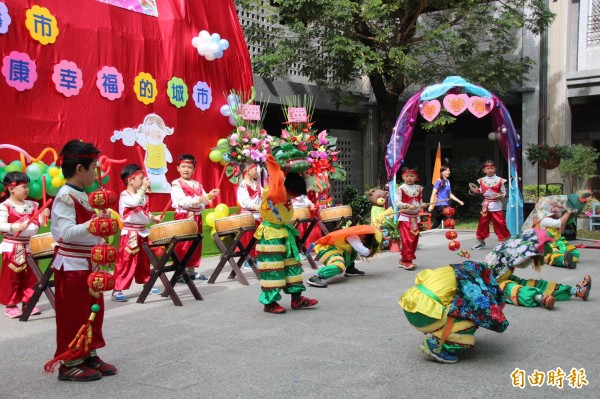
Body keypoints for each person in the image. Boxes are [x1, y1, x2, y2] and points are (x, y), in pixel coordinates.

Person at [399, 229, 554, 364]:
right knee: (473, 314)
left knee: (463, 304)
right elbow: (485, 312)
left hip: (411, 303)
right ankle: (437, 345)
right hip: (423, 312)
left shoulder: (467, 269)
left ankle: (437, 330)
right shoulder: (478, 282)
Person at [47, 139, 116, 381]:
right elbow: (65, 233)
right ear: (80, 169)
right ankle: (70, 361)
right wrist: (94, 223)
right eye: (94, 166)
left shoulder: (81, 194)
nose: (97, 172)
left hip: (89, 264)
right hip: (73, 266)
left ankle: (89, 353)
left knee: (93, 311)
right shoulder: (65, 196)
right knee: (74, 314)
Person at [253, 154, 318, 314]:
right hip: (270, 236)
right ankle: (270, 303)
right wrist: (281, 167)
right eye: (292, 195)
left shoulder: (288, 192)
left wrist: (303, 172)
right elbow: (277, 178)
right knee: (273, 269)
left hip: (284, 233)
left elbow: (306, 186)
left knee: (292, 266)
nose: (293, 198)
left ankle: (297, 299)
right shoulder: (272, 192)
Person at [484, 229, 591, 310]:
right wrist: (533, 255)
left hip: (503, 276)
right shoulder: (511, 249)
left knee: (533, 284)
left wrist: (534, 255)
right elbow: (522, 264)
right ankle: (540, 298)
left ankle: (576, 291)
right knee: (511, 289)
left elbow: (521, 264)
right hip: (492, 282)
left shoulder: (511, 247)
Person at [0, 172, 49, 319]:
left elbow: (37, 225)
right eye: (24, 187)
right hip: (12, 247)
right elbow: (1, 224)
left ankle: (29, 302)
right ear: (11, 189)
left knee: (32, 277)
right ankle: (11, 305)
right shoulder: (5, 206)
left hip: (30, 246)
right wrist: (13, 227)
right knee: (11, 277)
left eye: (28, 186)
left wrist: (42, 216)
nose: (27, 189)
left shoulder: (33, 205)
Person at [112, 164, 163, 302]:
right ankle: (117, 289)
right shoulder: (125, 195)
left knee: (144, 261)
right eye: (141, 178)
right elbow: (134, 202)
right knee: (126, 262)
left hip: (142, 232)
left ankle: (147, 283)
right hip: (130, 234)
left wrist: (153, 217)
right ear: (130, 180)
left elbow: (145, 212)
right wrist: (143, 188)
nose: (143, 180)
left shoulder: (143, 196)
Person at [171, 154, 219, 281]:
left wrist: (210, 195)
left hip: (196, 217)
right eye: (183, 166)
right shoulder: (176, 184)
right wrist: (200, 199)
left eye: (189, 167)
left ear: (194, 169)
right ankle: (180, 272)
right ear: (178, 168)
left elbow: (205, 200)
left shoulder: (197, 184)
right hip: (184, 217)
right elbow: (182, 201)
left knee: (195, 244)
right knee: (183, 245)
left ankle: (191, 271)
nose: (186, 169)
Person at [522, 194, 590, 269]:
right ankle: (564, 262)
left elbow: (561, 230)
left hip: (557, 241)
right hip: (548, 244)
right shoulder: (542, 219)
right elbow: (559, 223)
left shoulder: (552, 216)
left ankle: (565, 257)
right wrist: (569, 211)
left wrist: (565, 213)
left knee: (575, 253)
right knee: (555, 255)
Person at [306, 225, 382, 288]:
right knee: (339, 266)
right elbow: (363, 252)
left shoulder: (354, 233)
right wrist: (370, 251)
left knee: (352, 251)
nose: (364, 244)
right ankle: (316, 277)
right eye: (365, 242)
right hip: (329, 250)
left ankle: (350, 269)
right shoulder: (353, 236)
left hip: (338, 250)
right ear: (364, 236)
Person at [471, 160, 511, 250]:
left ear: (495, 169)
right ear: (484, 170)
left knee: (500, 223)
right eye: (488, 168)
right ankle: (480, 241)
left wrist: (500, 195)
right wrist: (477, 190)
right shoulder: (482, 180)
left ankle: (506, 241)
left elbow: (504, 192)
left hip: (496, 205)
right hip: (485, 206)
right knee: (482, 223)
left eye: (492, 168)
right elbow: (481, 190)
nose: (490, 170)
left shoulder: (499, 180)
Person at [394, 165, 427, 270]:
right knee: (407, 240)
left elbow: (420, 201)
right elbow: (397, 202)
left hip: (415, 218)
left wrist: (423, 205)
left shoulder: (419, 188)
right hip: (405, 218)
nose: (409, 178)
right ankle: (408, 261)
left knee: (414, 240)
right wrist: (407, 205)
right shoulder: (401, 189)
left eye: (412, 176)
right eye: (407, 176)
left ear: (416, 176)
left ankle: (403, 260)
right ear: (403, 177)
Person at [237, 162, 262, 269]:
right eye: (255, 169)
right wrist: (257, 207)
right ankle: (248, 259)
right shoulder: (243, 185)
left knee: (257, 238)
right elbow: (245, 202)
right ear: (248, 171)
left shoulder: (257, 184)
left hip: (257, 215)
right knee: (248, 238)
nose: (257, 171)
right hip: (248, 215)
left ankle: (257, 258)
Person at [428, 164, 464, 229]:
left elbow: (450, 194)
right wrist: (431, 205)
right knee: (450, 220)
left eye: (449, 170)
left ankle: (430, 231)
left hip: (446, 204)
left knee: (438, 221)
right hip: (440, 205)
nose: (448, 172)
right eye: (446, 170)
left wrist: (459, 201)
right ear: (442, 172)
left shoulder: (448, 181)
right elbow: (433, 194)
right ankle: (452, 233)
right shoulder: (438, 181)